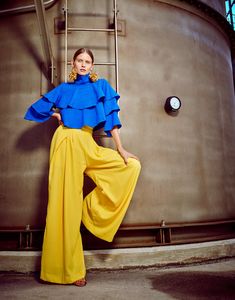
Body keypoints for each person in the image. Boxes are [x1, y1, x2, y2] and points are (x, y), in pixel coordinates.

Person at [24, 48, 141, 287]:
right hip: (65, 142)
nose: (84, 64)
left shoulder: (101, 87)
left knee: (131, 166)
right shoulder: (65, 89)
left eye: (88, 61)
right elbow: (37, 108)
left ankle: (90, 212)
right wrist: (57, 115)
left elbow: (112, 121)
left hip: (87, 142)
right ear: (73, 63)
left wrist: (120, 149)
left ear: (92, 65)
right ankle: (67, 271)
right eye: (80, 60)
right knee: (62, 205)